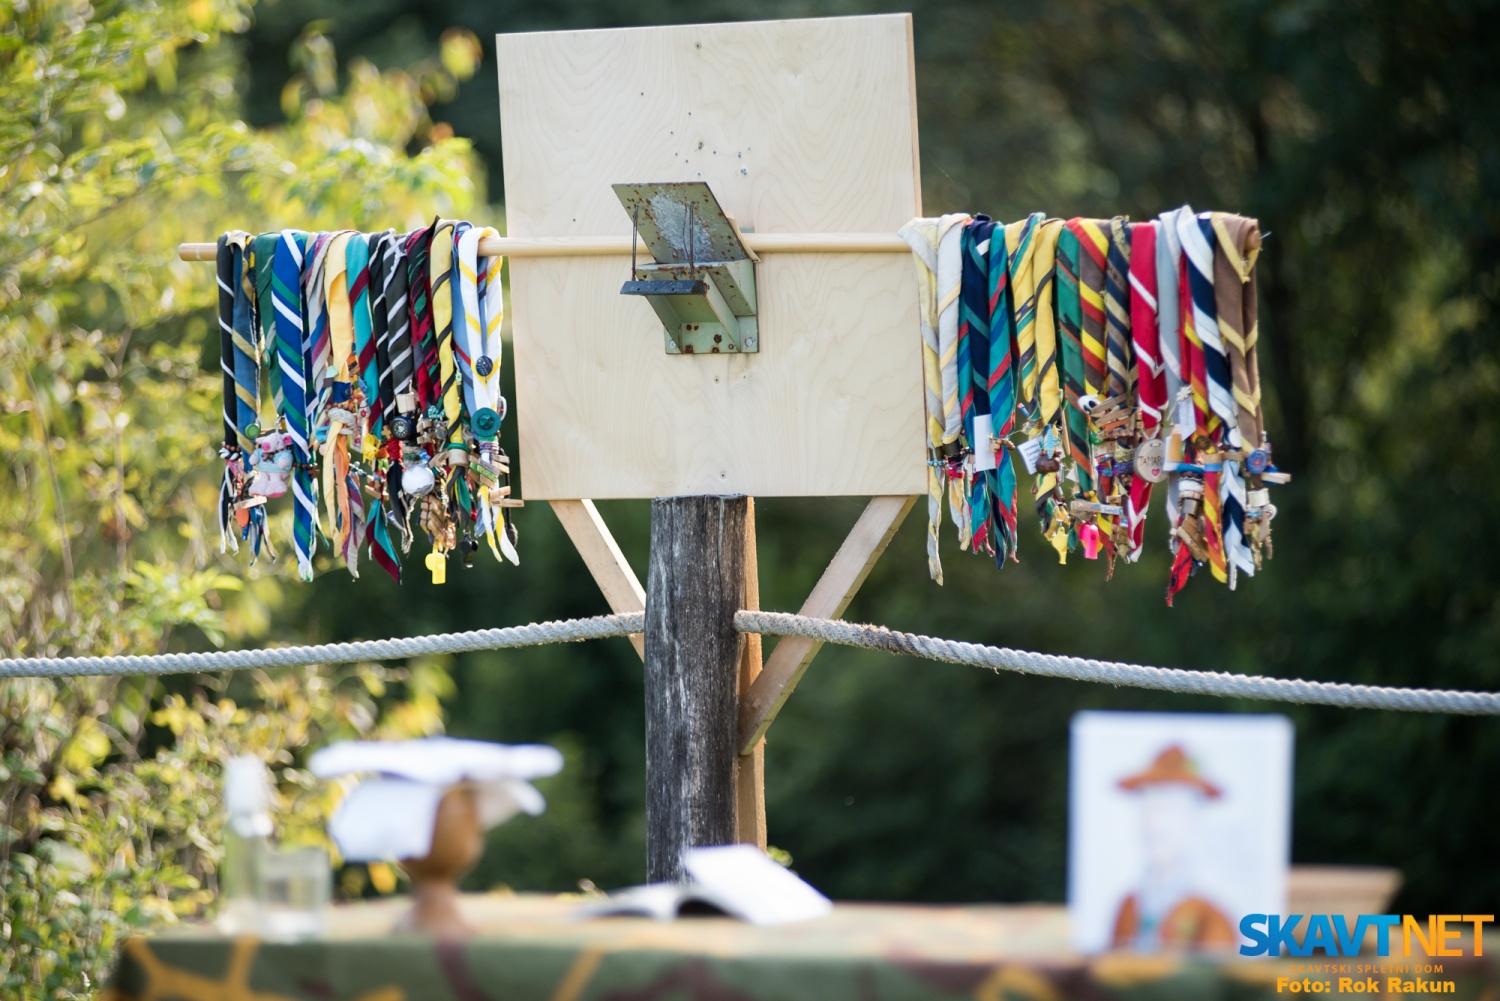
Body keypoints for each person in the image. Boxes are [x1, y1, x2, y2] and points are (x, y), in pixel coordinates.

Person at [1109, 744, 1236, 950]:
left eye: (1168, 811)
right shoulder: (1129, 905)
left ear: (1192, 820)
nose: (1155, 825)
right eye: (1149, 810)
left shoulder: (1210, 912)